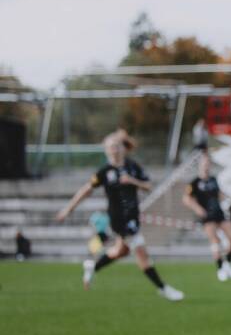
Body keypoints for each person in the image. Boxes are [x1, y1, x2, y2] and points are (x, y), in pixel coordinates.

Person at [54, 129, 184, 301]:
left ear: (123, 148)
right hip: (119, 220)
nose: (114, 150)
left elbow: (149, 186)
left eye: (116, 146)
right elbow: (86, 190)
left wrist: (132, 181)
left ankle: (92, 266)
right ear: (106, 150)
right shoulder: (104, 172)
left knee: (120, 252)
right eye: (110, 147)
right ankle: (163, 288)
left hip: (133, 216)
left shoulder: (133, 167)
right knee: (141, 255)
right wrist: (68, 209)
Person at [183, 151, 231, 281]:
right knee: (216, 241)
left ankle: (228, 264)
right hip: (207, 216)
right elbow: (186, 199)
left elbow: (219, 194)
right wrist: (198, 209)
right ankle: (220, 269)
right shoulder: (195, 182)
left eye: (208, 163)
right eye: (204, 163)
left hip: (219, 213)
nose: (206, 165)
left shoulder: (213, 179)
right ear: (200, 165)